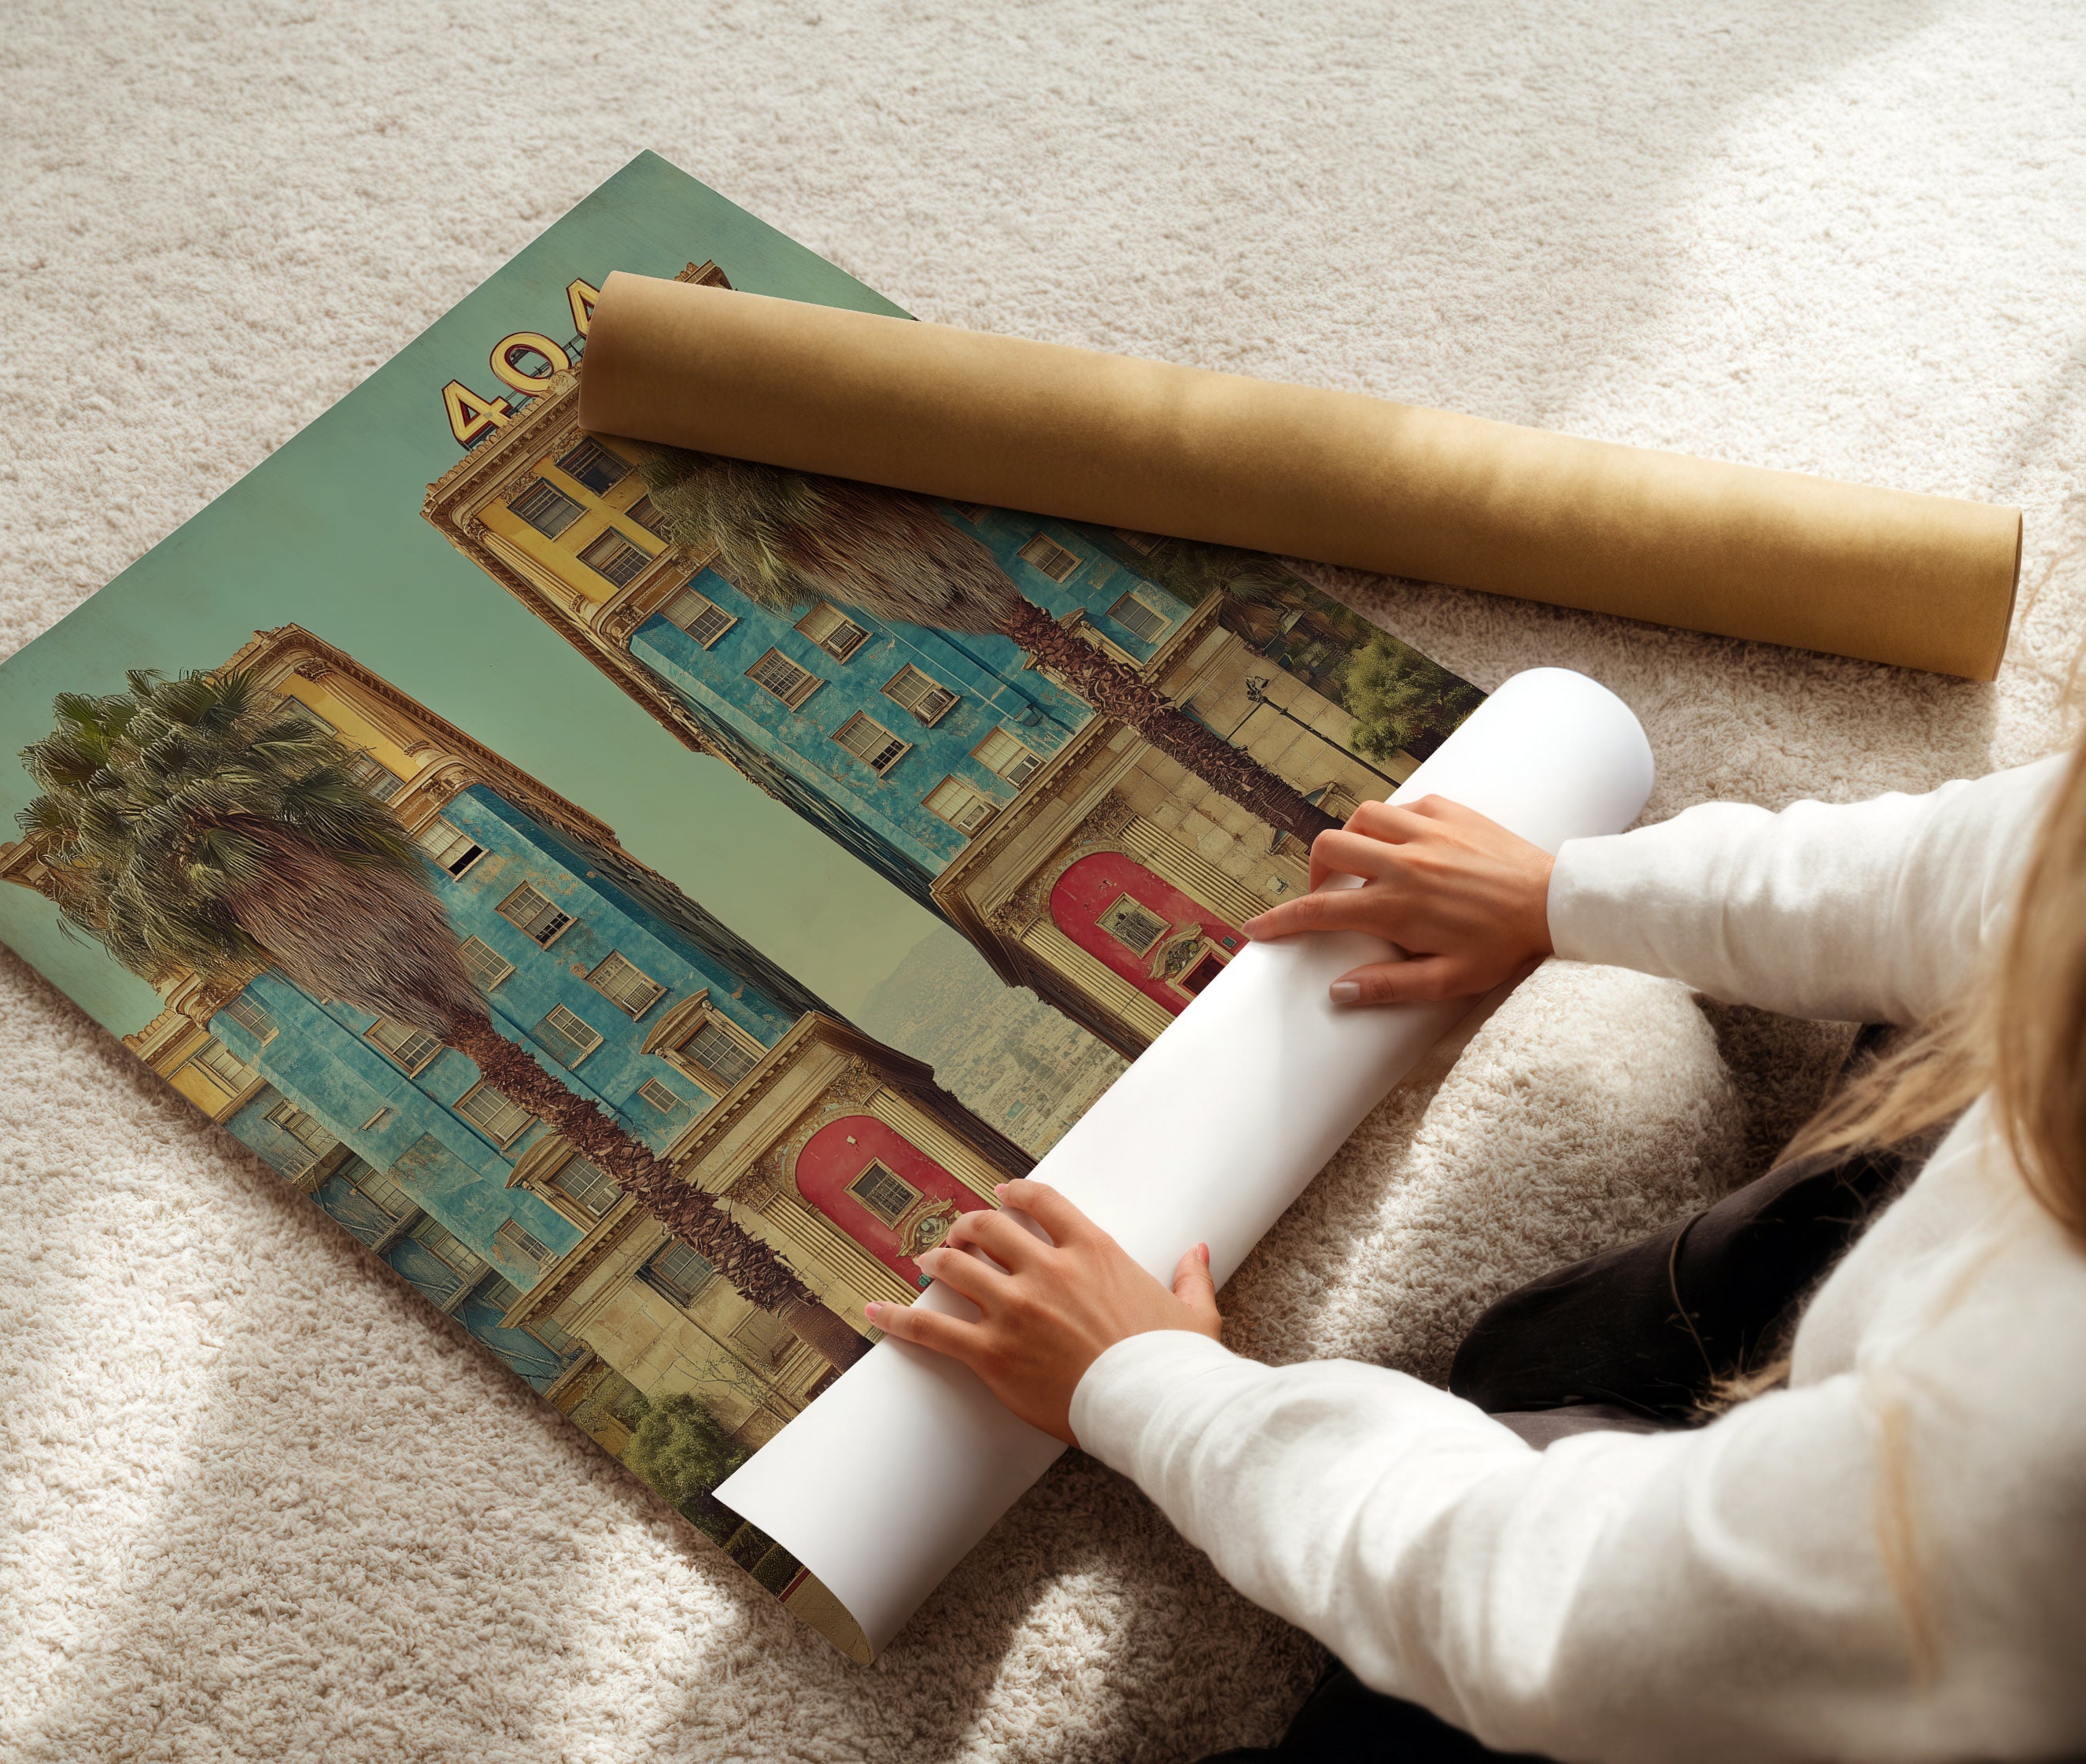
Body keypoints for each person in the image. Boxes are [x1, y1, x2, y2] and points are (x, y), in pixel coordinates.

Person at [867, 754, 2086, 1762]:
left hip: (1907, 1646)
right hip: (1906, 1430)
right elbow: (1987, 868)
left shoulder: (2028, 1459)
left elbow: (1559, 1606)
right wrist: (1561, 891)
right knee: (1541, 1352)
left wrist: (1150, 1387)